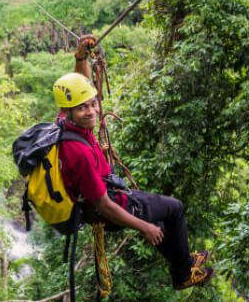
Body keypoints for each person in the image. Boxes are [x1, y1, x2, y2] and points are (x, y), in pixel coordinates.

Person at [53, 35, 214, 290]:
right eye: (84, 108)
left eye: (93, 104)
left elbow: (79, 88)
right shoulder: (78, 152)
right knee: (174, 209)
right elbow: (104, 206)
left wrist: (81, 57)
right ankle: (184, 274)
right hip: (112, 204)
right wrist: (143, 228)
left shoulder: (65, 122)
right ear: (71, 111)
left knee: (163, 224)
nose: (92, 111)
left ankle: (183, 264)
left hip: (105, 198)